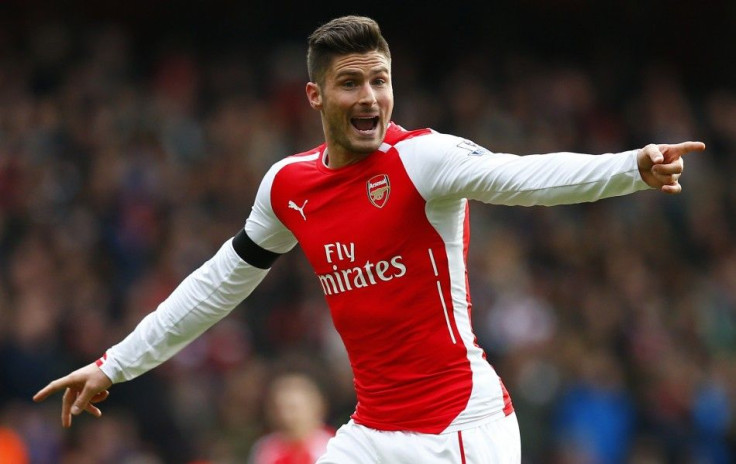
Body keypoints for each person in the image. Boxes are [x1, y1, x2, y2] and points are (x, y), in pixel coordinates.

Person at [33, 15, 705, 464]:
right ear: (314, 96)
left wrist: (630, 168)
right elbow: (216, 285)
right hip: (374, 435)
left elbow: (523, 177)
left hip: (461, 431)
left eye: (379, 80)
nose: (370, 96)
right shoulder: (289, 187)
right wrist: (113, 364)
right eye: (350, 82)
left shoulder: (424, 160)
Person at [248, 372, 334, 464]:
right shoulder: (264, 449)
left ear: (315, 407)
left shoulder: (332, 447)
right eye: (278, 408)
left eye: (293, 408)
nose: (285, 416)